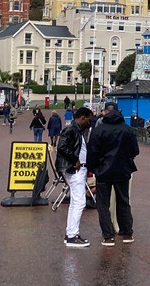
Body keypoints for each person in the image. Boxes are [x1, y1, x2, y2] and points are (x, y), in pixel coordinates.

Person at [87, 102, 138, 246]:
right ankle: (127, 232)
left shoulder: (98, 130)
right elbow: (135, 150)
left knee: (103, 204)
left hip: (104, 170)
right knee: (123, 201)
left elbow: (92, 152)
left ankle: (108, 236)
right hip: (123, 170)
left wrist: (93, 168)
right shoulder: (127, 130)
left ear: (104, 113)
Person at [56, 106, 93, 248]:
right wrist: (74, 159)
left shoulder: (76, 130)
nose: (89, 123)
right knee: (79, 202)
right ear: (82, 118)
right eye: (88, 120)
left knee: (75, 202)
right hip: (76, 169)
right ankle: (72, 235)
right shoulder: (71, 129)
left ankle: (70, 233)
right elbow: (62, 146)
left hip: (78, 169)